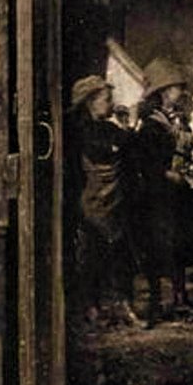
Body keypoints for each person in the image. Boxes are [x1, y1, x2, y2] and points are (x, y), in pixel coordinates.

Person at [68, 74, 143, 328]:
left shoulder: (108, 128)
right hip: (93, 202)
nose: (111, 104)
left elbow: (128, 145)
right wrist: (124, 136)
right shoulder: (82, 131)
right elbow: (104, 153)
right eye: (106, 99)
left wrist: (125, 130)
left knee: (120, 255)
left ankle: (123, 304)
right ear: (90, 101)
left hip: (115, 201)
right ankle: (92, 308)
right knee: (93, 256)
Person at [132, 57, 193, 325]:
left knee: (180, 245)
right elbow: (147, 164)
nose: (182, 92)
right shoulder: (150, 125)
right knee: (158, 246)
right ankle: (156, 303)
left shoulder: (180, 121)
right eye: (177, 88)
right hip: (157, 195)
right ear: (164, 91)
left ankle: (181, 297)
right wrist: (170, 175)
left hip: (179, 193)